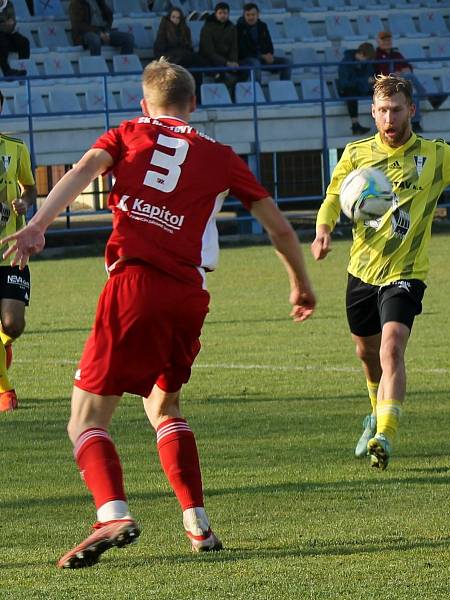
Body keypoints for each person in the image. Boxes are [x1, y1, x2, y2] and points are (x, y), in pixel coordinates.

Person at [1, 58, 316, 568]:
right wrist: (300, 285)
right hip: (190, 294)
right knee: (163, 407)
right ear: (194, 104)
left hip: (135, 283)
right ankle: (198, 524)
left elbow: (82, 171)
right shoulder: (220, 155)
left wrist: (38, 224)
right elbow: (279, 227)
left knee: (84, 419)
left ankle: (111, 513)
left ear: (144, 104)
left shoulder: (128, 132)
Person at [311, 74, 450, 470]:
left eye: (396, 109)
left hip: (406, 271)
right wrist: (322, 230)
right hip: (361, 272)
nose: (389, 118)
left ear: (411, 110)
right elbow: (333, 198)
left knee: (391, 347)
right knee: (367, 355)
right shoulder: (354, 154)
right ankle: (375, 413)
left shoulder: (435, 156)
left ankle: (385, 434)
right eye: (382, 110)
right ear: (372, 112)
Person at [0, 90, 35, 412]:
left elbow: (31, 188)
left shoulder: (15, 148)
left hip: (11, 251)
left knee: (12, 325)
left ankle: (4, 343)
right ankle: (5, 391)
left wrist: (24, 202)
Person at [374, 31, 446, 133]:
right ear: (378, 41)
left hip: (401, 82)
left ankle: (416, 123)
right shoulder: (376, 56)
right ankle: (430, 98)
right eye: (384, 40)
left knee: (413, 94)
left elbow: (407, 66)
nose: (387, 42)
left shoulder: (396, 54)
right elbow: (380, 73)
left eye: (388, 40)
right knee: (409, 77)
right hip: (387, 85)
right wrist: (395, 73)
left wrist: (405, 69)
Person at [153, 6, 208, 97]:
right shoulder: (163, 30)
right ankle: (211, 71)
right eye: (173, 17)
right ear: (169, 17)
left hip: (183, 58)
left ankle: (197, 98)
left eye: (178, 18)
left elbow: (188, 47)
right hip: (169, 58)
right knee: (190, 56)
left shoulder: (185, 29)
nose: (175, 20)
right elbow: (159, 50)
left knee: (196, 68)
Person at [237, 3, 291, 82]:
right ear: (244, 16)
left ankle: (285, 88)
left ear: (258, 14)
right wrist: (262, 56)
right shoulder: (238, 28)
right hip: (246, 60)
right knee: (255, 63)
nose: (251, 17)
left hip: (263, 59)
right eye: (248, 15)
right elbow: (243, 51)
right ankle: (258, 91)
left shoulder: (263, 26)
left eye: (253, 14)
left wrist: (270, 55)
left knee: (287, 62)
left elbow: (269, 44)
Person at [68, 0, 135, 56]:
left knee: (129, 38)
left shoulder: (99, 1)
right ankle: (96, 66)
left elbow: (109, 18)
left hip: (103, 31)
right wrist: (98, 32)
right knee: (95, 39)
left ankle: (124, 65)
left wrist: (107, 31)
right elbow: (79, 25)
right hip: (84, 34)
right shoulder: (76, 3)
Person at [337, 42, 375, 136]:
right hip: (350, 89)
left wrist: (369, 82)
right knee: (350, 92)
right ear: (361, 54)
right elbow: (345, 82)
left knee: (381, 91)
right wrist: (365, 81)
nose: (367, 61)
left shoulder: (366, 63)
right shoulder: (345, 63)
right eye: (366, 58)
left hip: (363, 88)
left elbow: (369, 74)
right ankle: (355, 125)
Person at [199, 2, 239, 87]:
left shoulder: (232, 27)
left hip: (227, 60)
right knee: (226, 76)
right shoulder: (207, 28)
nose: (223, 15)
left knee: (244, 70)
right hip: (210, 61)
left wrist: (233, 61)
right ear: (215, 13)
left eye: (225, 13)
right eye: (220, 13)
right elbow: (209, 52)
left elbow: (234, 47)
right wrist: (227, 63)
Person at [0, 0, 29, 77]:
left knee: (24, 42)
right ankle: (7, 71)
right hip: (3, 35)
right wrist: (5, 24)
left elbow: (12, 22)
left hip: (8, 32)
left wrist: (3, 25)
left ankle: (22, 67)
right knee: (2, 43)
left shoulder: (8, 4)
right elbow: (8, 23)